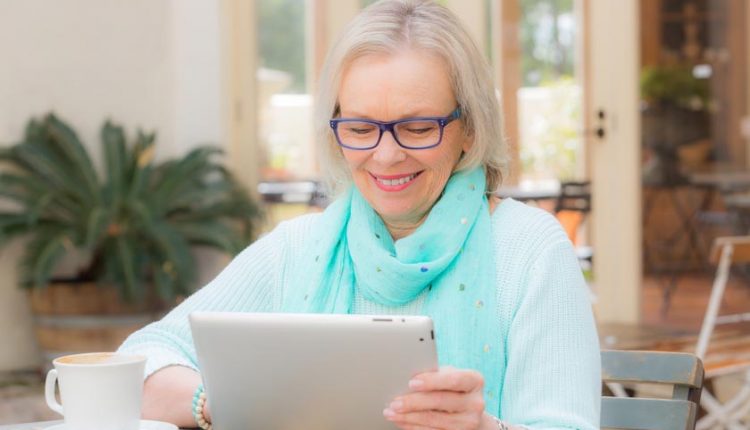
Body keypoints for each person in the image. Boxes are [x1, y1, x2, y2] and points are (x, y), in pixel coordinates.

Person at [119, 1, 601, 429]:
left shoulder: (530, 250)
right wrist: (216, 403)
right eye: (360, 127)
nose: (386, 155)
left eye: (416, 127)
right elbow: (134, 367)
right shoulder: (300, 249)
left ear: (470, 130)